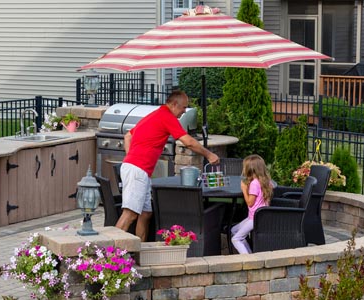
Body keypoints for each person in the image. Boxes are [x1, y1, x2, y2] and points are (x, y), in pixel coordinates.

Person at [115, 90, 219, 241]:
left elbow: (128, 136)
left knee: (146, 213)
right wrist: (209, 155)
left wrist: (131, 158)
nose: (184, 111)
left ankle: (140, 252)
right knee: (129, 214)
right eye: (183, 107)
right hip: (137, 169)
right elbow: (188, 142)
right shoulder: (166, 116)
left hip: (138, 169)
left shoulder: (155, 114)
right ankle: (108, 256)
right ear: (174, 104)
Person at [230, 154, 273, 254]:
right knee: (234, 230)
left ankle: (249, 260)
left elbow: (250, 203)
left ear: (250, 169)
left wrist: (244, 189)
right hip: (260, 215)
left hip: (255, 217)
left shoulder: (255, 183)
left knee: (236, 239)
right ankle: (249, 254)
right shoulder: (266, 181)